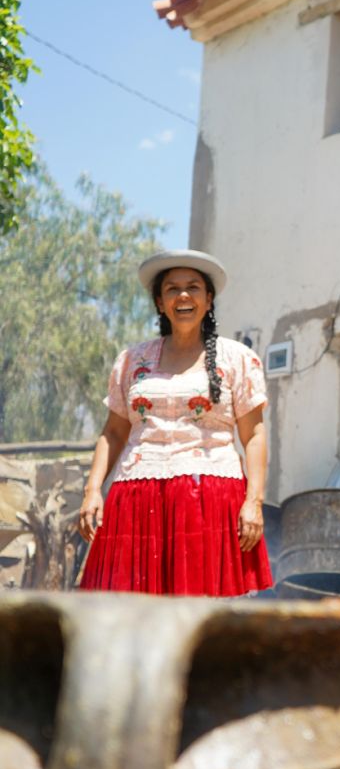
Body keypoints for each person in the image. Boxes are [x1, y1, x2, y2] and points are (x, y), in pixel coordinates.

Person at [78, 249, 273, 596]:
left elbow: (254, 434)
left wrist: (253, 501)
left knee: (202, 615)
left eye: (193, 287)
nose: (183, 296)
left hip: (209, 499)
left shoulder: (238, 359)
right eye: (172, 289)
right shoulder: (131, 360)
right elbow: (113, 432)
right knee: (128, 612)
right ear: (159, 301)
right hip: (136, 497)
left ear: (208, 299)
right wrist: (93, 490)